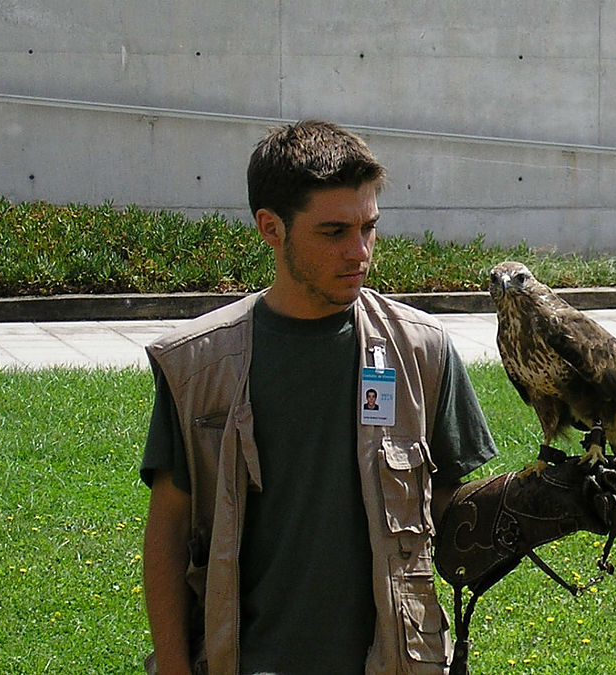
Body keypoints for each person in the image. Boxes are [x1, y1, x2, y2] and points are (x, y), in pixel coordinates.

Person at [141, 120, 497, 675]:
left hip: (392, 662)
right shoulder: (198, 366)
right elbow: (167, 529)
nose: (359, 252)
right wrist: (171, 666)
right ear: (270, 228)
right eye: (333, 232)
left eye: (369, 228)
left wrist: (525, 506)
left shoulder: (421, 352)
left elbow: (450, 508)